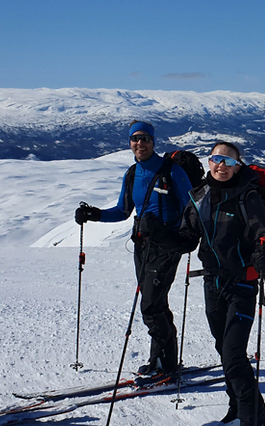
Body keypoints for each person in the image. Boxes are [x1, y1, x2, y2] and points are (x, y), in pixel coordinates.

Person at [174, 141, 265, 426]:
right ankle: (237, 411)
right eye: (215, 159)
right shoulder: (200, 196)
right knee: (224, 350)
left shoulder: (248, 197)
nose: (220, 165)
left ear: (237, 165)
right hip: (212, 283)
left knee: (234, 355)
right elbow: (187, 237)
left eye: (227, 160)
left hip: (242, 286)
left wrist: (263, 257)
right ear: (209, 163)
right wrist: (159, 237)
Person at [74, 121, 194, 376]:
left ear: (153, 141)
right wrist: (93, 214)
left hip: (166, 245)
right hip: (142, 245)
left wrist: (180, 237)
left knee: (151, 305)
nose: (140, 143)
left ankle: (165, 365)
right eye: (135, 139)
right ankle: (162, 361)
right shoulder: (132, 173)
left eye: (145, 138)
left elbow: (190, 209)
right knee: (156, 304)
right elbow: (122, 211)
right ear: (130, 143)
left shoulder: (171, 172)